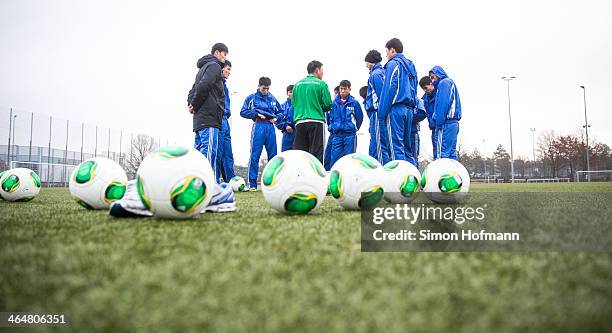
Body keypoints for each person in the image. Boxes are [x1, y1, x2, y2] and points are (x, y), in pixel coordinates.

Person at [187, 42, 228, 181]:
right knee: (209, 154)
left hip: (200, 119)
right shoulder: (214, 66)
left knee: (198, 155)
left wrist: (191, 104)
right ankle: (208, 187)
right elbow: (204, 85)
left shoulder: (202, 69)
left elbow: (193, 89)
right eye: (224, 53)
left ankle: (196, 186)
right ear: (216, 52)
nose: (225, 57)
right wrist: (195, 104)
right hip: (209, 117)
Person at [378, 38, 418, 164]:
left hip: (396, 108)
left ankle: (400, 181)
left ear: (392, 50)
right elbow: (415, 88)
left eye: (387, 52)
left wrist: (382, 113)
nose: (386, 55)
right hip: (409, 109)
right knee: (407, 148)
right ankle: (413, 177)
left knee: (396, 147)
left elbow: (389, 88)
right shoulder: (411, 66)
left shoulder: (393, 64)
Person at [240, 77, 282, 190]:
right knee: (255, 155)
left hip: (270, 127)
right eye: (264, 89)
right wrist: (256, 114)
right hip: (259, 126)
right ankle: (252, 184)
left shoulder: (272, 98)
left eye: (268, 89)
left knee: (273, 156)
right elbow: (243, 112)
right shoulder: (252, 98)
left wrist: (276, 118)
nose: (266, 91)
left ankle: (273, 183)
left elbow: (281, 112)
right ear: (259, 86)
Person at [292, 60, 333, 163]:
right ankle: (316, 177)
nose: (322, 73)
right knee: (317, 153)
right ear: (317, 70)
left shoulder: (297, 85)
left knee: (300, 153)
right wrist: (318, 107)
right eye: (322, 70)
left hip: (300, 121)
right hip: (316, 121)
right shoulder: (321, 84)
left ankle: (300, 176)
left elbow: (293, 104)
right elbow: (328, 104)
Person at [328, 80, 363, 166]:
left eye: (345, 89)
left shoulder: (354, 102)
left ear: (349, 89)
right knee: (334, 160)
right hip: (337, 135)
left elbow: (359, 117)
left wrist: (353, 127)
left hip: (349, 135)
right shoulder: (333, 103)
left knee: (349, 159)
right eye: (341, 89)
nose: (342, 91)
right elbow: (329, 117)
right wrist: (332, 127)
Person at [429, 66, 461, 160]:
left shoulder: (443, 83)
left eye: (432, 76)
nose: (431, 80)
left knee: (441, 155)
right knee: (452, 154)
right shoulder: (450, 83)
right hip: (454, 124)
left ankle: (440, 174)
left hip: (445, 124)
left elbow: (443, 104)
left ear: (438, 74)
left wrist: (438, 123)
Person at [216, 60, 236, 182]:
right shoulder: (216, 83)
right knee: (217, 152)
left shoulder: (225, 87)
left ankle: (231, 181)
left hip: (225, 121)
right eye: (227, 69)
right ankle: (215, 180)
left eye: (230, 70)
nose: (229, 72)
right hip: (217, 120)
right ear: (221, 69)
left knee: (228, 153)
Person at [364, 49, 385, 163]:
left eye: (366, 62)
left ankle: (381, 171)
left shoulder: (376, 74)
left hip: (377, 112)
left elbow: (381, 94)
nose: (366, 65)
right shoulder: (381, 72)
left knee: (379, 145)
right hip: (377, 113)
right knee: (377, 143)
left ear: (370, 61)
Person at [419, 76, 437, 160]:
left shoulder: (439, 93)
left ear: (431, 84)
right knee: (436, 151)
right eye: (423, 89)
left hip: (441, 126)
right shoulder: (425, 98)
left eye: (426, 88)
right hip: (433, 127)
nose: (425, 90)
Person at [323, 85, 340, 170]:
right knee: (328, 155)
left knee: (337, 156)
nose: (336, 95)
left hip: (341, 134)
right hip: (332, 133)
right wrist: (330, 127)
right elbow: (328, 118)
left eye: (337, 93)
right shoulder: (331, 105)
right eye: (335, 93)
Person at [276, 85, 296, 152]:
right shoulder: (282, 107)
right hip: (287, 134)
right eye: (290, 92)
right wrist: (285, 125)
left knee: (298, 155)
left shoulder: (300, 106)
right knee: (286, 155)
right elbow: (277, 120)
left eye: (294, 92)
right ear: (287, 93)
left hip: (298, 133)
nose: (292, 94)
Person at [408, 98, 427, 168]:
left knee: (413, 155)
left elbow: (422, 113)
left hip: (413, 133)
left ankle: (414, 176)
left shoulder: (417, 100)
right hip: (401, 133)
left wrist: (409, 119)